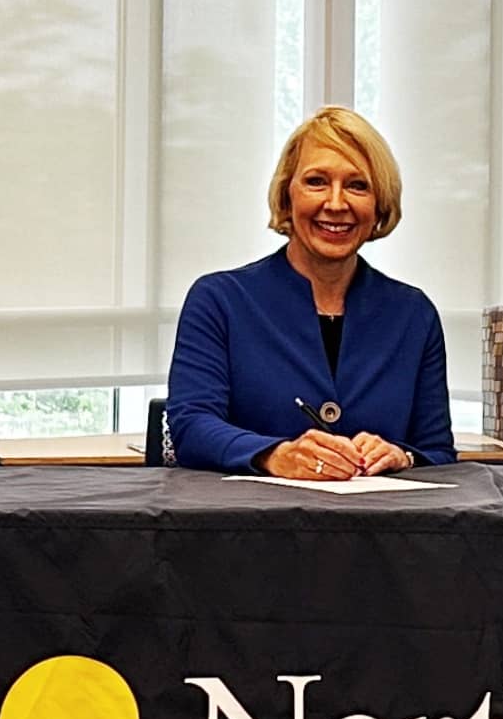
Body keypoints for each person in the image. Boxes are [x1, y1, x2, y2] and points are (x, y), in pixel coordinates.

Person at [166, 107, 457, 478]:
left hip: (382, 528)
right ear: (287, 197)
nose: (336, 204)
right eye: (317, 181)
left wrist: (403, 456)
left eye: (357, 186)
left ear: (379, 204)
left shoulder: (414, 314)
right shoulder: (219, 300)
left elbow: (438, 451)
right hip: (247, 526)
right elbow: (190, 427)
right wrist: (274, 455)